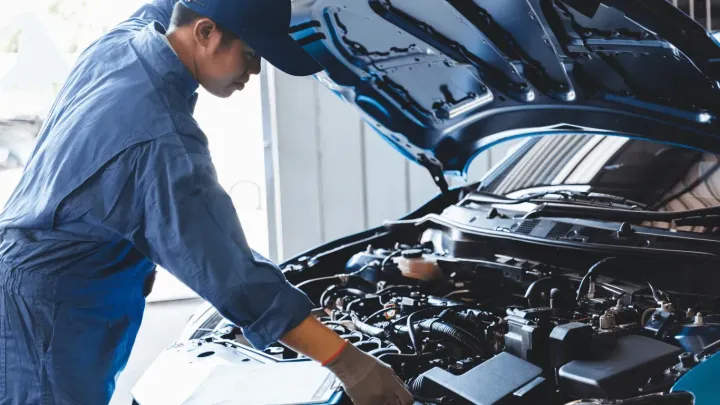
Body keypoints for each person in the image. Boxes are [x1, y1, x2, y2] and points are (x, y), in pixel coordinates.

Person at [0, 0, 414, 404]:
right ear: (204, 32)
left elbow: (167, 9)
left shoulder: (125, 44)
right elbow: (233, 276)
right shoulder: (160, 143)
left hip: (46, 294)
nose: (254, 70)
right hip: (44, 320)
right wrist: (349, 363)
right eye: (251, 53)